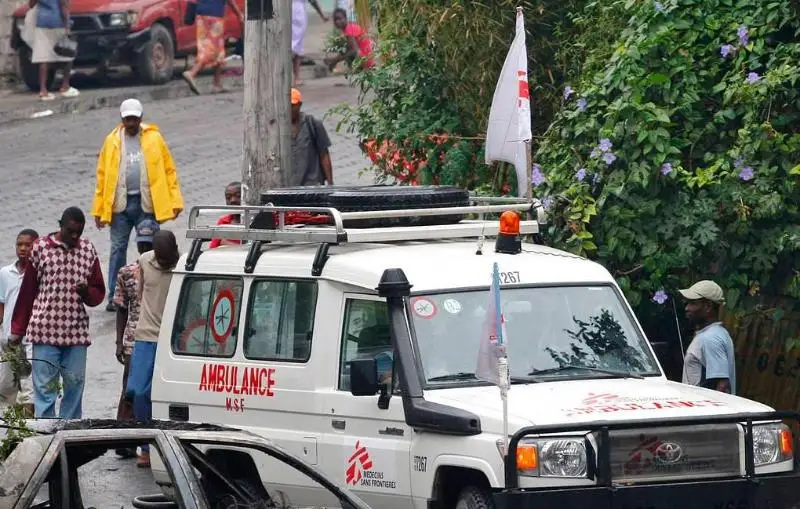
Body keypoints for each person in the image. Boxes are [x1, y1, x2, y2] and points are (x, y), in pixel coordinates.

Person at [9, 207, 105, 419]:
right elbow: (28, 292)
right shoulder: (40, 248)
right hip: (44, 332)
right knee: (45, 389)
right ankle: (46, 435)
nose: (74, 236)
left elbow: (99, 292)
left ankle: (69, 436)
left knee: (74, 386)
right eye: (71, 231)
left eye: (78, 232)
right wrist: (18, 329)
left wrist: (86, 292)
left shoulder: (88, 250)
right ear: (61, 225)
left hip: (76, 333)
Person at [91, 98, 184, 312]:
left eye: (134, 118)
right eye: (127, 119)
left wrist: (174, 200)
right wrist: (98, 208)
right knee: (117, 250)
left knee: (150, 249)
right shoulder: (112, 140)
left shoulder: (154, 138)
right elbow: (102, 176)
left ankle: (150, 290)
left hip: (146, 205)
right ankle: (116, 295)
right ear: (122, 119)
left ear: (140, 118)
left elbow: (169, 169)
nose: (131, 123)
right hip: (120, 207)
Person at [127, 229, 179, 467]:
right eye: (163, 259)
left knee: (167, 394)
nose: (166, 263)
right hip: (146, 336)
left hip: (173, 339)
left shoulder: (184, 265)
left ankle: (167, 444)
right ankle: (146, 444)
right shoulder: (144, 262)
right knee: (138, 391)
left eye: (170, 259)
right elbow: (138, 295)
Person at [113, 219, 158, 457]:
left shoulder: (165, 269)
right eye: (142, 245)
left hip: (159, 338)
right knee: (130, 391)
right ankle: (124, 439)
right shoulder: (128, 272)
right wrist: (119, 342)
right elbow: (121, 308)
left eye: (149, 245)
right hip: (133, 338)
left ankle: (148, 443)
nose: (145, 250)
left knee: (150, 393)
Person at [0, 229, 39, 415]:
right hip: (8, 337)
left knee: (29, 385)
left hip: (31, 337)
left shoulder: (39, 274)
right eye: (19, 244)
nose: (23, 248)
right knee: (7, 384)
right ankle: (12, 428)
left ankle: (28, 428)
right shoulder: (6, 273)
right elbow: (2, 303)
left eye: (28, 244)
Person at [679, 280, 737, 394]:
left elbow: (722, 386)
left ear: (708, 306)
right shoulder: (718, 333)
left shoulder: (709, 338)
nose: (687, 308)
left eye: (693, 303)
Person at [182, 0, 244, 95]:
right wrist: (239, 14)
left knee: (216, 49)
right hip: (214, 15)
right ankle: (192, 72)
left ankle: (217, 84)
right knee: (211, 49)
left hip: (201, 14)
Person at [27, 0, 80, 100]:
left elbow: (31, 4)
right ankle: (65, 86)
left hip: (42, 22)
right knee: (67, 54)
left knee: (43, 57)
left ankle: (43, 90)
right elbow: (63, 5)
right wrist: (67, 27)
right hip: (57, 22)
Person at [290, 88, 334, 186]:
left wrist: (330, 183)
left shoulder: (313, 124)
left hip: (312, 184)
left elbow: (324, 154)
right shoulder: (278, 128)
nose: (290, 108)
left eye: (293, 106)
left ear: (300, 105)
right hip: (289, 186)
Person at [292, 0, 328, 87]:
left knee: (294, 46)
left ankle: (295, 78)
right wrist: (322, 15)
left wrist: (322, 15)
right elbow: (313, 1)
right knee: (297, 47)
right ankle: (296, 78)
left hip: (291, 14)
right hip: (297, 13)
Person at [209, 181, 243, 249]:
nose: (232, 200)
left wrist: (226, 243)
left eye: (238, 196)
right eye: (228, 197)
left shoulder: (253, 221)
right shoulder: (223, 222)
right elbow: (212, 249)